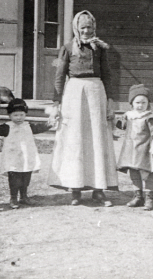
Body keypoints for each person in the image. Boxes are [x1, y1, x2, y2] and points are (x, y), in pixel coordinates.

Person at [46, 10, 119, 206]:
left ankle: (98, 189)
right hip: (74, 94)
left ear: (94, 28)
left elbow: (107, 75)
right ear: (76, 28)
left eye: (90, 27)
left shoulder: (100, 49)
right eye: (83, 28)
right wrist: (56, 102)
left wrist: (111, 100)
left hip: (96, 93)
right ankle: (75, 188)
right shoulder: (68, 48)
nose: (86, 31)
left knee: (96, 139)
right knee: (75, 139)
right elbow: (59, 76)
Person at [0, 98, 54, 209]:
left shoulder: (28, 126)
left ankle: (23, 196)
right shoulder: (7, 126)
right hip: (13, 157)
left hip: (26, 156)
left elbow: (39, 128)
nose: (19, 118)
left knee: (26, 176)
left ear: (25, 114)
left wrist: (49, 124)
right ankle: (13, 198)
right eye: (15, 115)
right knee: (14, 178)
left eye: (21, 115)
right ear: (9, 116)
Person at [115, 84, 153, 211]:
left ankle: (149, 198)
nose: (140, 105)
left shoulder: (149, 117)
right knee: (134, 172)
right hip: (131, 150)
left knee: (147, 174)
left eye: (143, 102)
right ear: (132, 103)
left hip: (145, 149)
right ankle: (138, 196)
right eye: (137, 102)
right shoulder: (129, 115)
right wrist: (116, 119)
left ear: (148, 103)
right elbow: (121, 127)